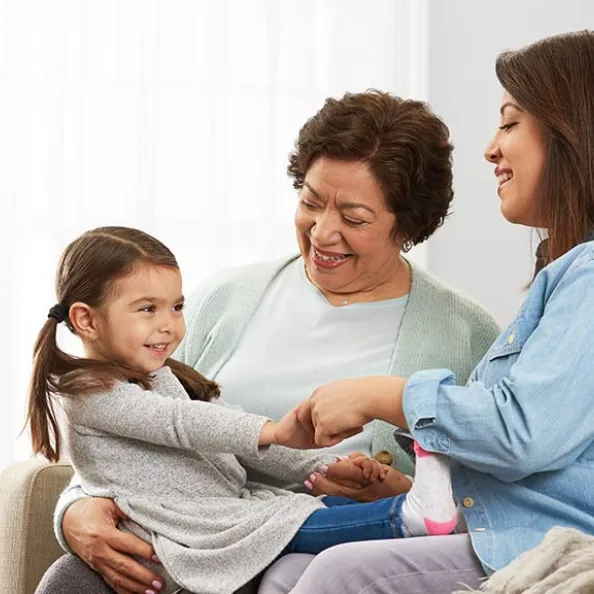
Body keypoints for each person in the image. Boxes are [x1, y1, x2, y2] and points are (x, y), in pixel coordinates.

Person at [36, 91, 500, 594]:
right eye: (311, 202)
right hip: (193, 536)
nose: (322, 232)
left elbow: (488, 500)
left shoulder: (463, 334)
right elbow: (138, 429)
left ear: (406, 225)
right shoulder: (223, 299)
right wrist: (75, 510)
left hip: (330, 552)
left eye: (354, 218)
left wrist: (397, 488)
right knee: (70, 580)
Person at [258, 30, 594, 594]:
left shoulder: (570, 282)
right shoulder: (561, 274)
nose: (491, 148)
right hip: (489, 524)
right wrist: (405, 492)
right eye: (311, 202)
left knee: (335, 573)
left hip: (534, 539)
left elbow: (524, 435)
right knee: (290, 571)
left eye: (510, 123)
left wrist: (383, 395)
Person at [32, 226, 464, 594]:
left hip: (226, 512)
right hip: (188, 532)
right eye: (148, 309)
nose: (169, 324)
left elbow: (227, 438)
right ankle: (406, 519)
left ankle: (425, 511)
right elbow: (182, 424)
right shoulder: (88, 394)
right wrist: (273, 430)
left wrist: (318, 467)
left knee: (310, 511)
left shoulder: (163, 371)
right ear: (86, 320)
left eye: (177, 307)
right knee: (294, 526)